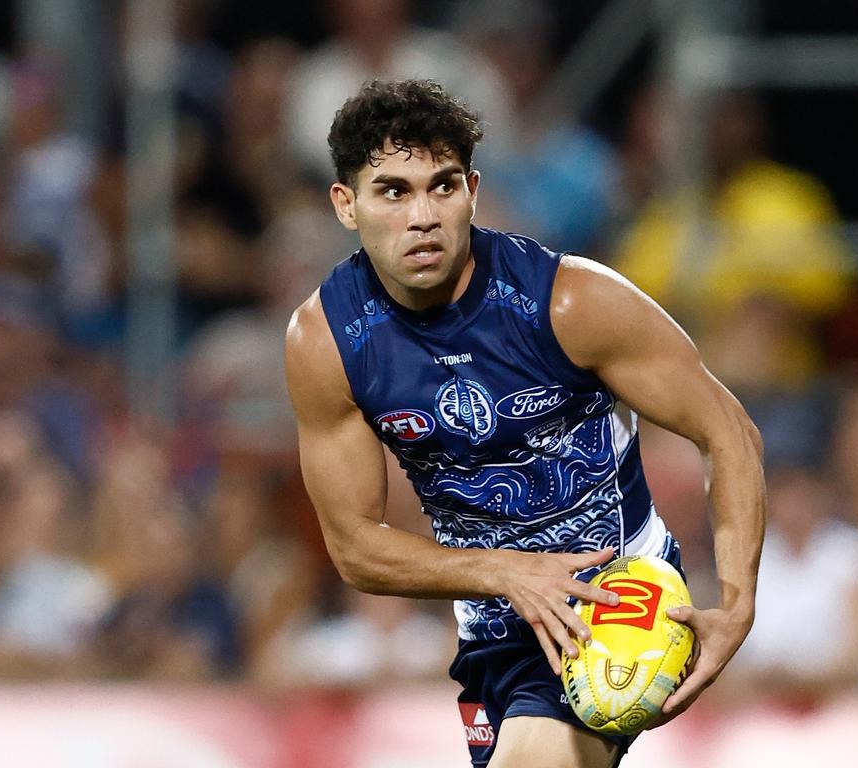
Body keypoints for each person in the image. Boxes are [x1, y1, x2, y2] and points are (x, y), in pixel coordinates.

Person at [284, 79, 766, 768]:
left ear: (473, 190)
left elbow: (728, 431)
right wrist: (506, 574)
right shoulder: (327, 342)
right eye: (394, 191)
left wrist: (739, 604)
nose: (423, 215)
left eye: (443, 187)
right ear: (345, 205)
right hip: (494, 626)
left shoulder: (571, 303)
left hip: (614, 600)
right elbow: (355, 546)